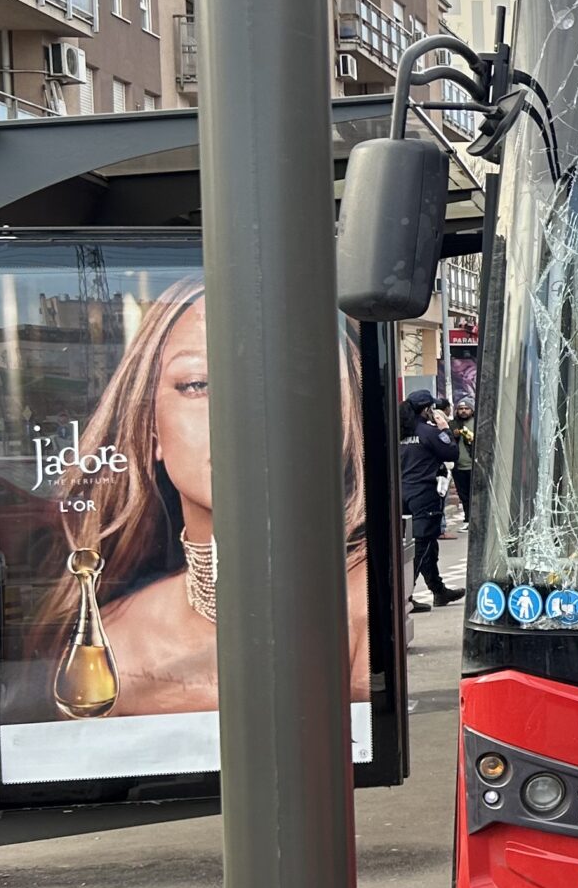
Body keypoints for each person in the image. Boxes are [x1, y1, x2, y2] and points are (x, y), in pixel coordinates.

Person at [31, 279, 372, 716]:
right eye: (197, 385)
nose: (239, 416)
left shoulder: (362, 609)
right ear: (150, 427)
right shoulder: (113, 641)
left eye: (284, 381)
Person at [401, 390, 461, 611]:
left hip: (402, 493)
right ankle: (405, 596)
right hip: (424, 494)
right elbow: (451, 453)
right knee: (423, 544)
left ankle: (438, 590)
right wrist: (445, 429)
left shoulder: (399, 431)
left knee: (424, 543)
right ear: (426, 409)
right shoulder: (428, 432)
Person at [450, 398, 476, 522]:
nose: (463, 411)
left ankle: (475, 519)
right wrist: (453, 436)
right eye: (461, 409)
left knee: (474, 495)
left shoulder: (477, 423)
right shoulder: (453, 424)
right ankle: (467, 519)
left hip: (473, 465)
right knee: (463, 495)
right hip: (458, 467)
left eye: (466, 409)